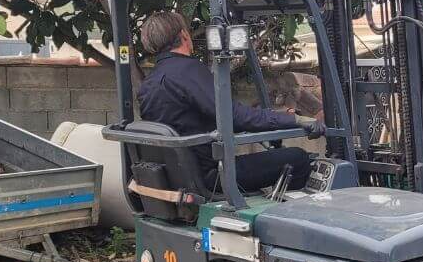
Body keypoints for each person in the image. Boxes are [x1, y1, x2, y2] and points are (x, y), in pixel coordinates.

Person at [136, 10, 322, 194]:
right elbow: (232, 117)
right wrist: (294, 120)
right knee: (298, 158)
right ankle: (284, 216)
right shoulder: (189, 71)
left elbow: (201, 119)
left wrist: (265, 117)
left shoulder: (148, 84)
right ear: (184, 35)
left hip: (180, 176)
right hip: (212, 176)